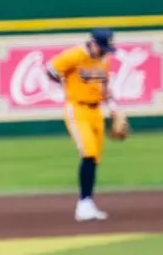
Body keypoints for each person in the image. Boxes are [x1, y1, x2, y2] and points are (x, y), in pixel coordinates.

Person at [47, 28, 126, 222]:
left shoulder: (104, 59)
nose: (105, 50)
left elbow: (105, 85)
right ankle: (83, 205)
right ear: (93, 43)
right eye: (103, 46)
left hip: (96, 110)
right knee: (88, 152)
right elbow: (51, 69)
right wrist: (66, 84)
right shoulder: (75, 55)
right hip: (77, 109)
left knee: (95, 158)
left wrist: (114, 108)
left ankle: (87, 203)